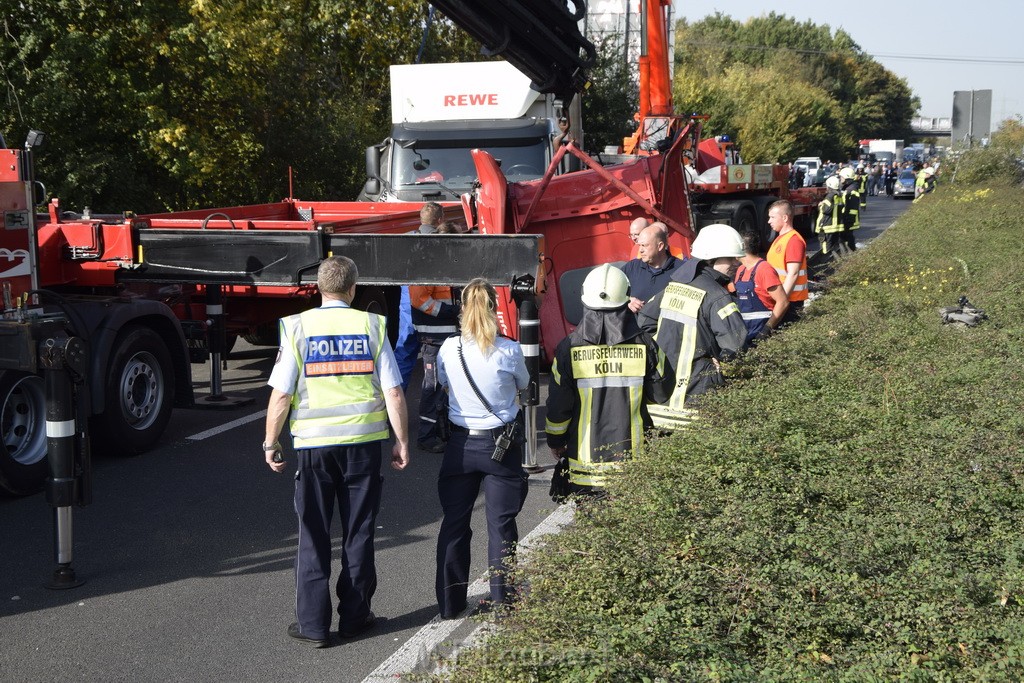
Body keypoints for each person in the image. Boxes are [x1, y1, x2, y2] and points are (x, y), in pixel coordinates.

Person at [264, 255, 410, 648]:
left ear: (318, 288)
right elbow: (393, 391)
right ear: (353, 289)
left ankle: (313, 626)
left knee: (313, 534)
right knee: (358, 532)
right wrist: (401, 440)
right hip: (363, 447)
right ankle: (355, 618)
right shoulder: (371, 325)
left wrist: (271, 442)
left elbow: (281, 395)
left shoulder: (297, 327)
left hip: (313, 449)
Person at [435, 279, 529, 618]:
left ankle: (449, 603)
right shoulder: (508, 349)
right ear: (494, 307)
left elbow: (443, 384)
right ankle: (505, 602)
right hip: (499, 445)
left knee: (454, 524)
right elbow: (524, 384)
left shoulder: (449, 348)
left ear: (462, 308)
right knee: (501, 526)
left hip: (460, 444)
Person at [546, 264, 670, 494]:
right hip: (635, 466)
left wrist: (556, 441)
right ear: (625, 298)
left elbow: (558, 405)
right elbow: (663, 396)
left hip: (585, 469)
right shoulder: (646, 344)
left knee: (592, 527)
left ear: (585, 299)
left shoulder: (569, 347)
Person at [637, 224, 747, 431]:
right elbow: (737, 351)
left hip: (661, 406)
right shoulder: (718, 297)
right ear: (711, 259)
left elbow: (644, 323)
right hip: (697, 407)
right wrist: (717, 372)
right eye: (730, 258)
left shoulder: (675, 286)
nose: (736, 263)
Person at [394, 202, 445, 391]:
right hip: (434, 312)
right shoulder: (446, 242)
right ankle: (438, 411)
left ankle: (394, 406)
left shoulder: (405, 241)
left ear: (420, 220)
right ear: (440, 220)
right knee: (439, 362)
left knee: (404, 357)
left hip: (408, 312)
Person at [409, 277, 459, 453]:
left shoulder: (439, 261)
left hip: (446, 335)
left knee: (445, 387)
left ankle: (441, 430)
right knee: (433, 387)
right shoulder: (426, 263)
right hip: (435, 336)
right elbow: (419, 300)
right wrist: (452, 311)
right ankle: (426, 436)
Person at [735, 230, 788, 347]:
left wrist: (767, 329)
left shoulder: (764, 269)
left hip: (762, 332)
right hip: (746, 332)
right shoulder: (740, 270)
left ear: (741, 248)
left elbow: (782, 302)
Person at [621, 222, 684, 313]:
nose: (640, 250)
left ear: (660, 246)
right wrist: (627, 300)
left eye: (645, 245)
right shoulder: (632, 267)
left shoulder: (682, 270)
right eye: (639, 245)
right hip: (637, 326)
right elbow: (611, 289)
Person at [766, 200, 809, 325]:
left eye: (772, 217)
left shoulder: (793, 240)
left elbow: (793, 273)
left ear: (785, 218)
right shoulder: (781, 238)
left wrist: (782, 301)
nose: (769, 221)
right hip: (782, 299)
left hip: (790, 301)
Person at [815, 174, 846, 259]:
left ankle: (827, 262)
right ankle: (834, 262)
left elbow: (826, 210)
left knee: (826, 247)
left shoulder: (830, 196)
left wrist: (820, 205)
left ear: (829, 186)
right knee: (834, 246)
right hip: (836, 226)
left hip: (827, 226)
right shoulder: (839, 195)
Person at [838, 167, 861, 254]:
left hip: (849, 220)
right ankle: (850, 254)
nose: (840, 179)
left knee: (847, 237)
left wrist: (848, 220)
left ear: (847, 178)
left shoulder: (851, 190)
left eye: (842, 177)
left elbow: (853, 208)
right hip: (847, 218)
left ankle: (851, 254)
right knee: (847, 237)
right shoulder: (849, 188)